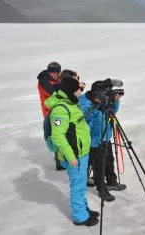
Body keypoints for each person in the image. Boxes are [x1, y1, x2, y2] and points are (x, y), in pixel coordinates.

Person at [44, 77, 99, 226]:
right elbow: (58, 136)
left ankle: (84, 209)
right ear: (70, 90)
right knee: (77, 186)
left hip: (81, 153)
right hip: (75, 156)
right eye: (78, 89)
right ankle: (80, 217)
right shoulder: (61, 109)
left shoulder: (70, 102)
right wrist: (71, 157)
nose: (80, 91)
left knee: (80, 185)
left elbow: (77, 122)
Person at [79, 79, 127, 202]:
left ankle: (111, 181)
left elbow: (112, 113)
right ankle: (102, 189)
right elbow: (87, 117)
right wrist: (98, 106)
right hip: (94, 140)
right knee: (99, 165)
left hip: (106, 136)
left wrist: (114, 101)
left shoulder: (104, 99)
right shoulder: (85, 102)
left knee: (109, 160)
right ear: (96, 94)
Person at [37, 61, 64, 170]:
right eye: (52, 72)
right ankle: (59, 162)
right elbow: (54, 93)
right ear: (48, 72)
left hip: (59, 111)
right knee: (56, 134)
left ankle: (61, 157)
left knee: (61, 133)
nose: (55, 74)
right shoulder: (44, 81)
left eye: (57, 72)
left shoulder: (56, 79)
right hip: (50, 113)